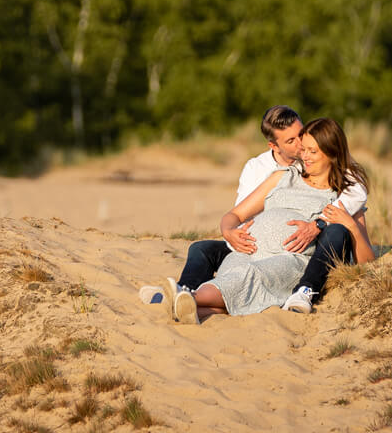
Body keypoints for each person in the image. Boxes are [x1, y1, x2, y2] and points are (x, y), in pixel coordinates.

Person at [144, 116, 374, 322]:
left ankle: (185, 297)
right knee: (235, 269)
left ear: (332, 153)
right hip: (250, 250)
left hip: (290, 258)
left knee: (250, 275)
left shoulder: (344, 195)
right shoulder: (282, 176)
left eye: (312, 152)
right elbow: (236, 214)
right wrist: (231, 232)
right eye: (303, 149)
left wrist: (347, 224)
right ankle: (186, 304)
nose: (304, 156)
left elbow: (365, 261)